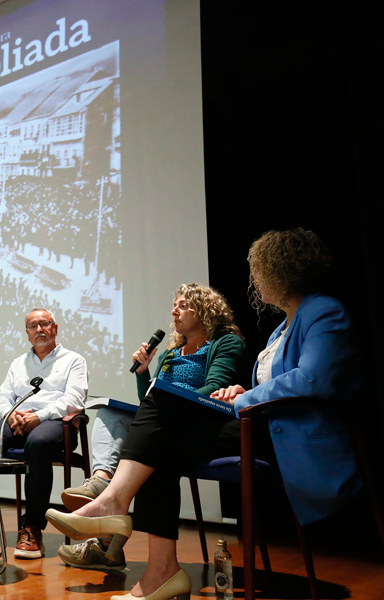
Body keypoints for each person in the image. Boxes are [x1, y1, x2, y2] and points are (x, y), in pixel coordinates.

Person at [46, 228, 361, 600]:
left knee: (160, 431)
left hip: (292, 439)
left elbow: (314, 378)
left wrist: (246, 396)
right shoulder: (281, 328)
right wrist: (245, 392)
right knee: (158, 450)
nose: (255, 282)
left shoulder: (323, 310)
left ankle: (113, 503)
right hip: (261, 426)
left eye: (259, 272)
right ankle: (158, 568)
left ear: (280, 270)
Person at [58, 283, 250, 570]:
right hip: (165, 420)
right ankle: (101, 482)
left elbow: (214, 389)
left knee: (153, 448)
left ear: (205, 309)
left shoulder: (225, 342)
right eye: (175, 305)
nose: (175, 310)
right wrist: (142, 372)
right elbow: (148, 401)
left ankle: (107, 528)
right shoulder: (170, 354)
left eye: (183, 305)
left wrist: (170, 397)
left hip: (202, 421)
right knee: (110, 412)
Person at [0, 308, 88, 559]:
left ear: (55, 328)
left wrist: (39, 417)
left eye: (44, 324)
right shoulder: (18, 363)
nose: (39, 330)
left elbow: (75, 400)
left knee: (38, 441)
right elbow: (2, 397)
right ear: (27, 333)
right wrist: (10, 414)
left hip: (56, 424)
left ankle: (32, 526)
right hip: (17, 422)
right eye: (33, 326)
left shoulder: (73, 360)